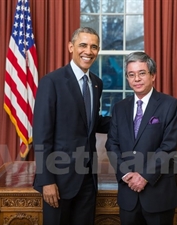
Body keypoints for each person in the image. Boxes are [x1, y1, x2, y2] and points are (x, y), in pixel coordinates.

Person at [33, 27, 110, 225]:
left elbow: (92, 123)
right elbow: (42, 135)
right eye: (83, 45)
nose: (88, 51)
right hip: (58, 179)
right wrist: (46, 180)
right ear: (71, 47)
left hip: (87, 179)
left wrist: (133, 118)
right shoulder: (52, 82)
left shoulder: (96, 83)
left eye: (94, 47)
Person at [106, 52, 177, 225]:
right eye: (131, 75)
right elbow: (112, 145)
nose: (136, 79)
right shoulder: (119, 108)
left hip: (159, 195)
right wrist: (126, 174)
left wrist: (145, 176)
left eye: (142, 73)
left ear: (153, 75)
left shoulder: (170, 105)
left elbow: (168, 147)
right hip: (128, 195)